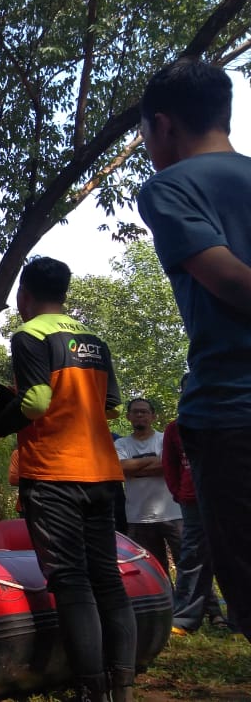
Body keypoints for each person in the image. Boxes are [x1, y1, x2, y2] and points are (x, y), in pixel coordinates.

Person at [0, 256, 135, 702]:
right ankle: (123, 684)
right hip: (102, 472)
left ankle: (90, 690)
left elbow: (37, 401)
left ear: (24, 295)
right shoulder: (92, 340)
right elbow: (112, 406)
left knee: (72, 582)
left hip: (55, 474)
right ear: (64, 293)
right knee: (107, 579)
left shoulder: (29, 335)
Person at [137, 58, 251, 642]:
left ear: (164, 125)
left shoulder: (168, 186)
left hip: (233, 410)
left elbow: (229, 280)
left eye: (144, 134)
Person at [162, 376, 226, 636]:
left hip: (229, 498)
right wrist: (179, 492)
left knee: (235, 554)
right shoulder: (175, 428)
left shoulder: (229, 420)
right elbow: (170, 465)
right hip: (192, 499)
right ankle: (185, 619)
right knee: (192, 557)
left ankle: (239, 617)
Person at [114, 398, 182, 577]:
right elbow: (120, 469)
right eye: (135, 412)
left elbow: (168, 465)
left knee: (189, 565)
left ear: (153, 416)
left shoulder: (164, 439)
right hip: (139, 518)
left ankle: (203, 605)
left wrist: (136, 467)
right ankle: (165, 604)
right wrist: (154, 461)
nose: (139, 415)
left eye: (144, 412)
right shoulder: (121, 445)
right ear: (128, 417)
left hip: (173, 514)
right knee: (154, 571)